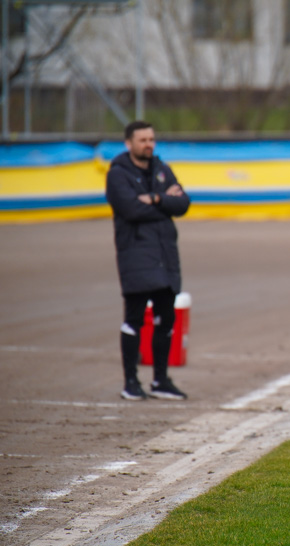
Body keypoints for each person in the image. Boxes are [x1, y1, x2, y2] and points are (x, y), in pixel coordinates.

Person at [106, 120, 190, 401]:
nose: (148, 144)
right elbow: (130, 209)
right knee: (133, 319)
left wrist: (153, 198)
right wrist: (164, 203)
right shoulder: (118, 175)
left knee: (166, 319)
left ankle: (160, 381)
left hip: (165, 257)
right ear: (128, 143)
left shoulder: (162, 169)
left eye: (151, 139)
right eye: (142, 140)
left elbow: (183, 204)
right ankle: (131, 382)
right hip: (136, 255)